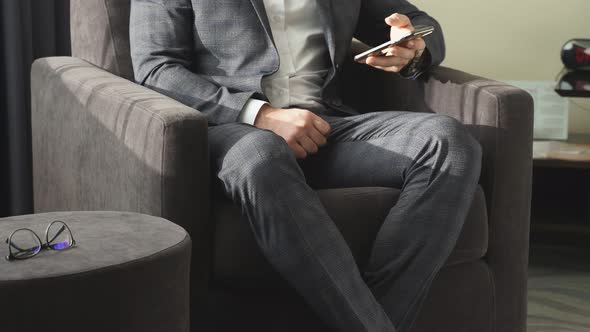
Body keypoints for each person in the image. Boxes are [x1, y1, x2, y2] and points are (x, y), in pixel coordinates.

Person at [130, 1, 482, 331]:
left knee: (448, 142)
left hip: (326, 127)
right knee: (261, 156)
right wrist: (260, 114)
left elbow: (417, 23)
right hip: (231, 129)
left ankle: (374, 318)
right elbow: (157, 68)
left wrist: (412, 46)